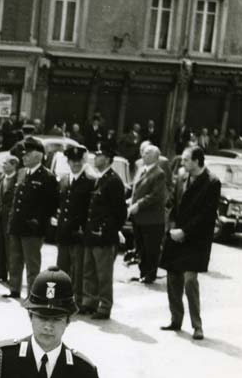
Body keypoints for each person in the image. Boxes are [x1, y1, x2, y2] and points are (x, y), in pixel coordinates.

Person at [159, 146, 220, 340]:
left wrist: (184, 232)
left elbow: (206, 215)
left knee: (190, 280)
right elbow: (170, 204)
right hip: (176, 236)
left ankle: (197, 325)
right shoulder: (181, 178)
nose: (182, 163)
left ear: (197, 161)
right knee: (172, 279)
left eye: (186, 159)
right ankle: (175, 319)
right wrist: (171, 228)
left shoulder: (212, 182)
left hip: (195, 240)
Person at [6, 137, 58, 299]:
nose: (24, 157)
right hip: (17, 224)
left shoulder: (47, 177)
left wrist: (38, 221)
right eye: (23, 154)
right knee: (15, 260)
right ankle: (14, 289)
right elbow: (16, 199)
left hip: (33, 228)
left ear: (38, 156)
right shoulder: (22, 173)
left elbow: (51, 204)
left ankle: (32, 293)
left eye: (27, 154)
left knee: (32, 263)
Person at [80, 147, 127, 319]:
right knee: (89, 271)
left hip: (103, 236)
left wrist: (108, 230)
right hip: (92, 234)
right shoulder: (100, 179)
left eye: (99, 155)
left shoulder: (113, 181)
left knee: (103, 274)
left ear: (107, 159)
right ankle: (89, 302)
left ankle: (105, 306)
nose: (95, 158)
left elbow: (121, 212)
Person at [53, 146, 95, 306]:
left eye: (79, 161)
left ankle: (77, 300)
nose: (76, 164)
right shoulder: (64, 180)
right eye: (72, 161)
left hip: (79, 233)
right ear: (68, 162)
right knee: (62, 268)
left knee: (78, 270)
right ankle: (61, 298)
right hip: (64, 232)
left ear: (84, 162)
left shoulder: (90, 181)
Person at [128, 144, 168, 284]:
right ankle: (143, 272)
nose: (143, 155)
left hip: (152, 219)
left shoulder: (159, 174)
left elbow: (155, 196)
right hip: (138, 218)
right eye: (143, 152)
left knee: (150, 248)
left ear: (155, 157)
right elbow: (136, 189)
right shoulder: (141, 169)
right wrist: (130, 200)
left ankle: (149, 275)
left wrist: (138, 205)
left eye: (147, 153)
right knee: (140, 247)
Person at [0, 155, 19, 284]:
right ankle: (0, 273)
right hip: (0, 216)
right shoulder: (1, 178)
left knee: (10, 248)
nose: (3, 165)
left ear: (14, 165)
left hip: (10, 217)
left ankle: (11, 276)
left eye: (6, 163)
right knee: (0, 246)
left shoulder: (17, 180)